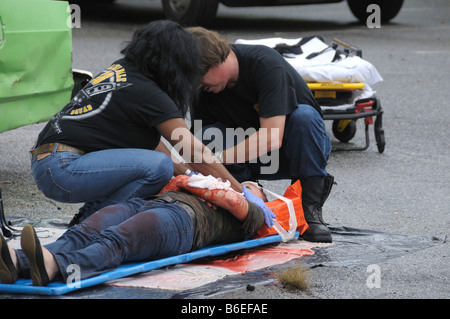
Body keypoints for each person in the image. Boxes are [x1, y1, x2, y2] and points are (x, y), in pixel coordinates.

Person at [29, 20, 272, 228]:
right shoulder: (149, 94)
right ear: (176, 63)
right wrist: (242, 193)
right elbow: (194, 151)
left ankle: (86, 220)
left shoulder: (123, 70)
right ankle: (92, 226)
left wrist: (195, 178)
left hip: (50, 163)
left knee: (157, 164)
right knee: (159, 168)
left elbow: (156, 148)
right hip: (64, 169)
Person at [188, 27, 334, 243]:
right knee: (209, 134)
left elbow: (272, 137)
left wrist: (216, 160)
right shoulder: (203, 89)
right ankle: (245, 208)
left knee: (304, 117)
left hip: (292, 152)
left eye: (199, 77)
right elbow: (199, 145)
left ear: (217, 60)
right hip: (252, 159)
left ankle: (308, 211)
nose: (199, 85)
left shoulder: (265, 63)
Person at [0, 177, 267, 286]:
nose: (240, 185)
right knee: (83, 232)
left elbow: (232, 200)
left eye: (251, 186)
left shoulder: (255, 213)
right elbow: (171, 183)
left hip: (184, 220)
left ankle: (57, 267)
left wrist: (191, 180)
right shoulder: (211, 187)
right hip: (146, 205)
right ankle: (16, 261)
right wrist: (192, 182)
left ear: (261, 198)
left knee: (117, 240)